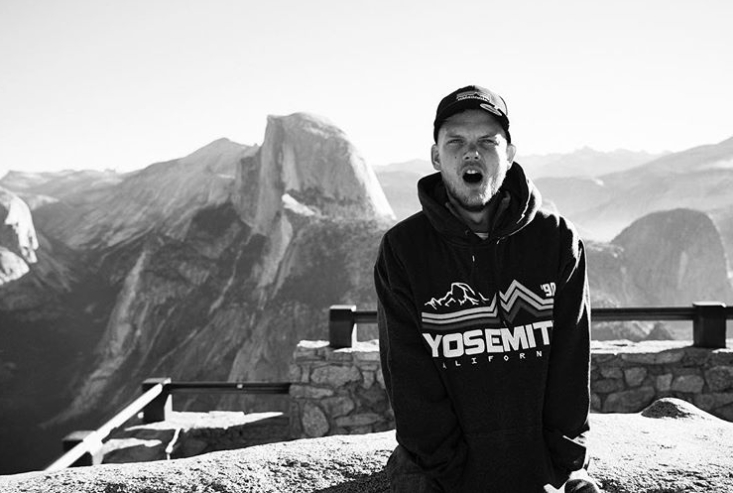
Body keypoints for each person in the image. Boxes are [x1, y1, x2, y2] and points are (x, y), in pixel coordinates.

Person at [374, 85, 600, 492]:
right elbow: (409, 379)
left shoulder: (556, 240)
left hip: (543, 470)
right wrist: (454, 473)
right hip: (442, 477)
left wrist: (564, 464)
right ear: (436, 156)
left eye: (486, 142)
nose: (471, 153)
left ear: (509, 154)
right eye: (456, 142)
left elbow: (571, 365)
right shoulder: (404, 250)